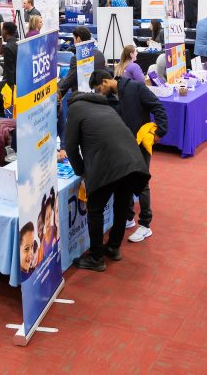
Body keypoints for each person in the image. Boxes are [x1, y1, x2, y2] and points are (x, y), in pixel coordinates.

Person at [66, 79, 152, 272]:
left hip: (108, 165)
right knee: (121, 205)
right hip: (133, 162)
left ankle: (96, 258)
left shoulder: (74, 108)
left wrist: (81, 172)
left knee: (95, 208)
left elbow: (70, 146)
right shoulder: (107, 107)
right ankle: (113, 247)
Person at [89, 69, 167, 242]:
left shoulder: (135, 88)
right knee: (125, 182)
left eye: (99, 89)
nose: (99, 93)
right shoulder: (108, 101)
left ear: (105, 82)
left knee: (142, 183)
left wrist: (160, 131)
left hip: (140, 145)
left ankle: (145, 225)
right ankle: (129, 217)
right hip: (121, 148)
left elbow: (157, 106)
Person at [58, 25, 106, 101]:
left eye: (74, 38)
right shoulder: (100, 54)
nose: (74, 42)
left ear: (78, 39)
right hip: (99, 96)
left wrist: (57, 95)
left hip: (82, 98)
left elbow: (69, 81)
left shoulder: (76, 58)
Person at [0, 21, 19, 117]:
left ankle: (1, 128)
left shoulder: (8, 48)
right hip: (19, 81)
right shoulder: (18, 43)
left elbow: (10, 70)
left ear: (5, 31)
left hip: (11, 83)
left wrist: (9, 89)